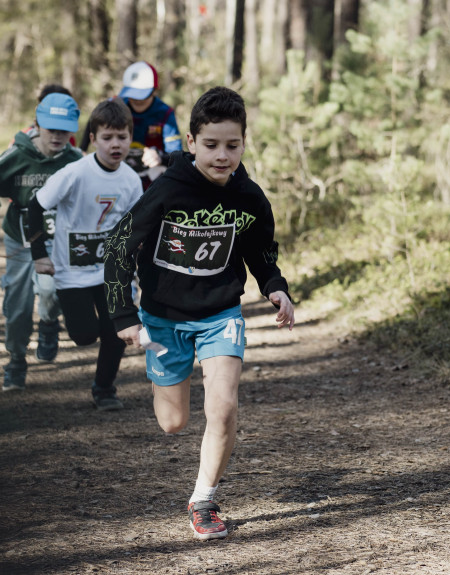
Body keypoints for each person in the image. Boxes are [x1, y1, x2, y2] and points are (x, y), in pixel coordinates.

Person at [103, 87, 295, 539]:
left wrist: (275, 287)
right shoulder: (168, 190)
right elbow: (117, 249)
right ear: (191, 142)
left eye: (232, 145)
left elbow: (261, 252)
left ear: (244, 143)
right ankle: (166, 382)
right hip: (163, 318)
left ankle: (204, 500)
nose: (222, 155)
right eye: (211, 145)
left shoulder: (250, 198)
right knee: (173, 423)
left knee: (223, 407)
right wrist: (123, 315)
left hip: (220, 315)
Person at [26, 99, 142, 410]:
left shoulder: (131, 180)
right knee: (84, 335)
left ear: (130, 138)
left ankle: (104, 389)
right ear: (92, 138)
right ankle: (53, 322)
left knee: (116, 330)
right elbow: (36, 207)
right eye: (107, 137)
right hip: (71, 272)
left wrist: (138, 270)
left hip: (111, 271)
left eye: (122, 137)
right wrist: (39, 254)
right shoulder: (75, 173)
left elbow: (137, 227)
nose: (115, 145)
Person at [0, 93, 83, 391]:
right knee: (18, 305)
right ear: (37, 124)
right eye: (51, 129)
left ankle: (49, 322)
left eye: (64, 131)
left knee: (51, 291)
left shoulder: (76, 161)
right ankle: (16, 360)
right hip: (19, 239)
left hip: (56, 240)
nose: (57, 137)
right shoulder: (18, 154)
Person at [118, 61, 183, 189]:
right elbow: (95, 119)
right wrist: (84, 148)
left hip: (152, 183)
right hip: (121, 179)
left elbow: (177, 155)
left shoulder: (165, 114)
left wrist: (160, 157)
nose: (137, 100)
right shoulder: (117, 106)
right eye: (132, 94)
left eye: (141, 95)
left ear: (154, 91)